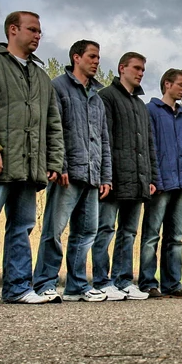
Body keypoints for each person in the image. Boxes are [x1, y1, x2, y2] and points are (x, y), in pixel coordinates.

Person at [0, 11, 64, 305]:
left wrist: (54, 162)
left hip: (31, 166)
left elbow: (53, 123)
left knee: (22, 226)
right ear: (12, 30)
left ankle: (18, 287)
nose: (37, 36)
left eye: (39, 32)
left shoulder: (41, 76)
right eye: (32, 30)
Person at [31, 39, 112, 303]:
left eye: (98, 57)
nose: (96, 61)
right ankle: (44, 282)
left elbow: (103, 140)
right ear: (76, 58)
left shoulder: (97, 98)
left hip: (92, 175)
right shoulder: (58, 88)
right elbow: (53, 130)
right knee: (54, 230)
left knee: (86, 232)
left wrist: (105, 177)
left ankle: (77, 285)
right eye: (91, 56)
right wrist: (59, 165)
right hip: (67, 173)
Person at [93, 52, 159, 301]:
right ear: (122, 68)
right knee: (105, 229)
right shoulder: (107, 97)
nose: (141, 73)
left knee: (129, 232)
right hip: (115, 178)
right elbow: (104, 138)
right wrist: (105, 176)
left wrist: (151, 178)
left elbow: (149, 145)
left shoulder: (141, 106)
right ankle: (101, 281)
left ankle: (123, 281)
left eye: (143, 69)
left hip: (139, 180)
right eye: (136, 68)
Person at [138, 68, 182, 299]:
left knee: (175, 237)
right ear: (167, 84)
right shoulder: (151, 111)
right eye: (181, 85)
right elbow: (149, 147)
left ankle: (172, 284)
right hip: (160, 182)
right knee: (151, 234)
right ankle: (147, 283)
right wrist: (153, 179)